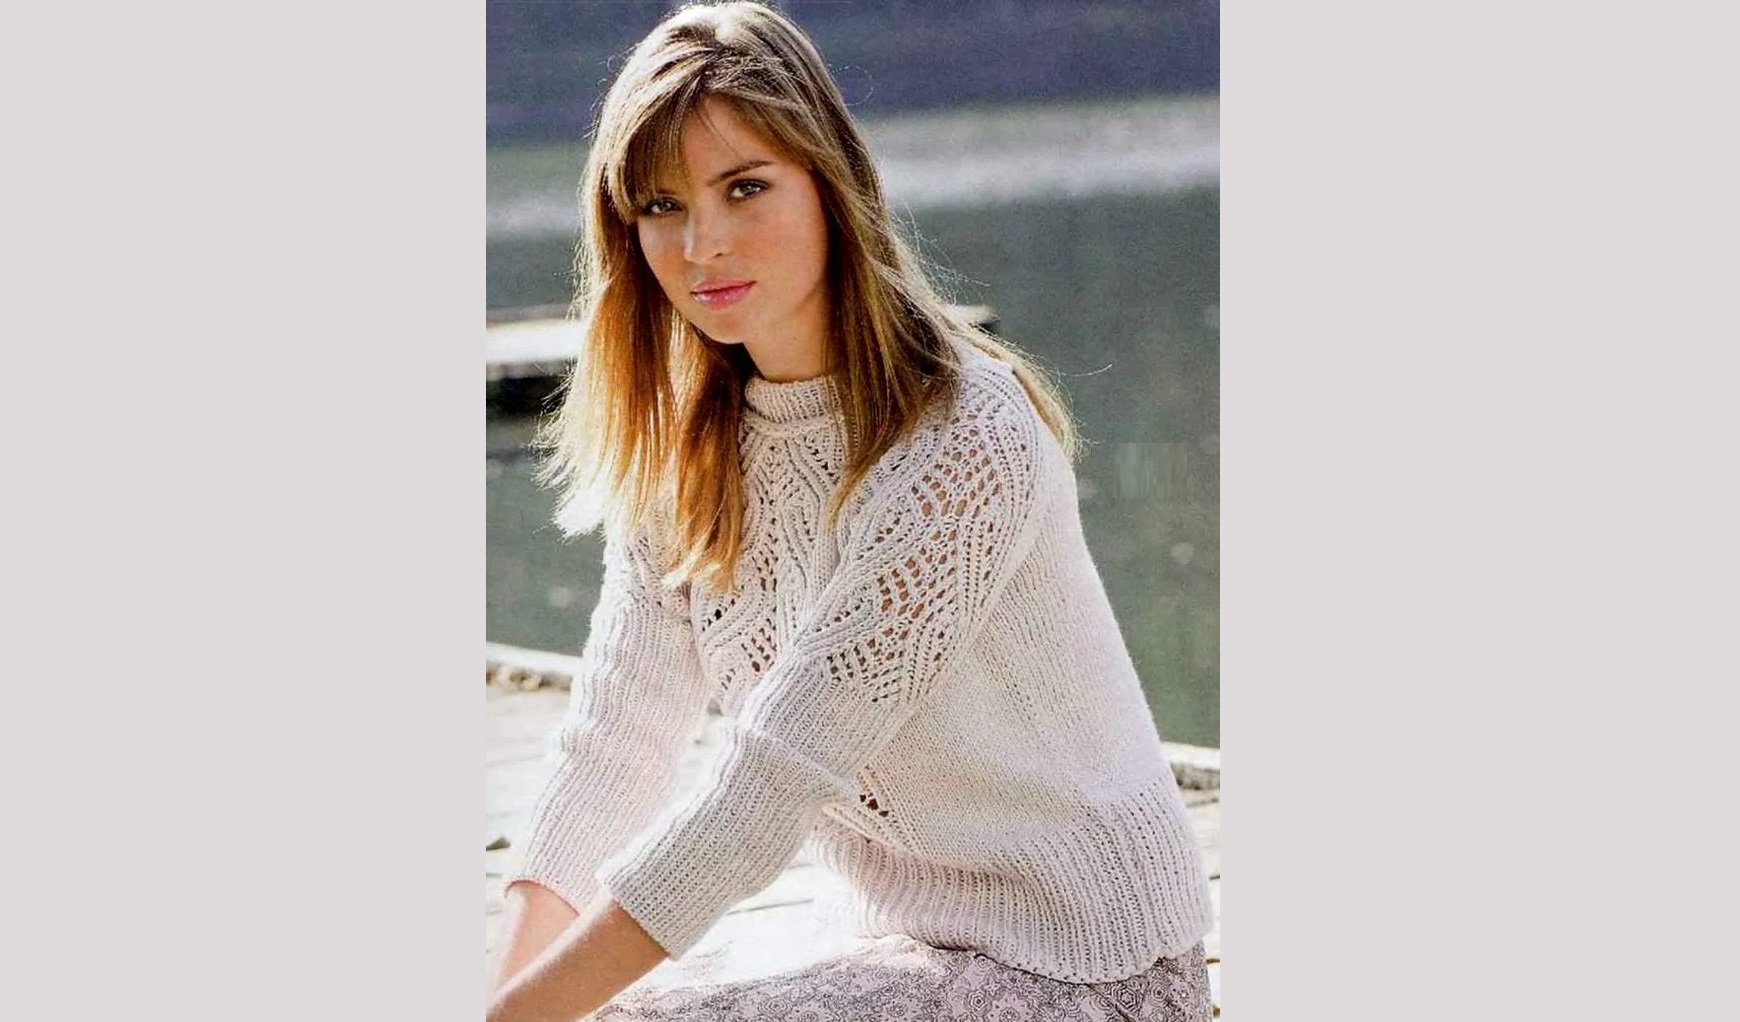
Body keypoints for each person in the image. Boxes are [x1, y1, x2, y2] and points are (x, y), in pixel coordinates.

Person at [485, 3, 1215, 1020]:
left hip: (1086, 968)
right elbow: (615, 741)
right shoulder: (690, 445)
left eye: (746, 187)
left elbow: (765, 787)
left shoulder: (963, 440)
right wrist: (503, 996)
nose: (702, 244)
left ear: (830, 183)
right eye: (660, 205)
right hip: (892, 944)